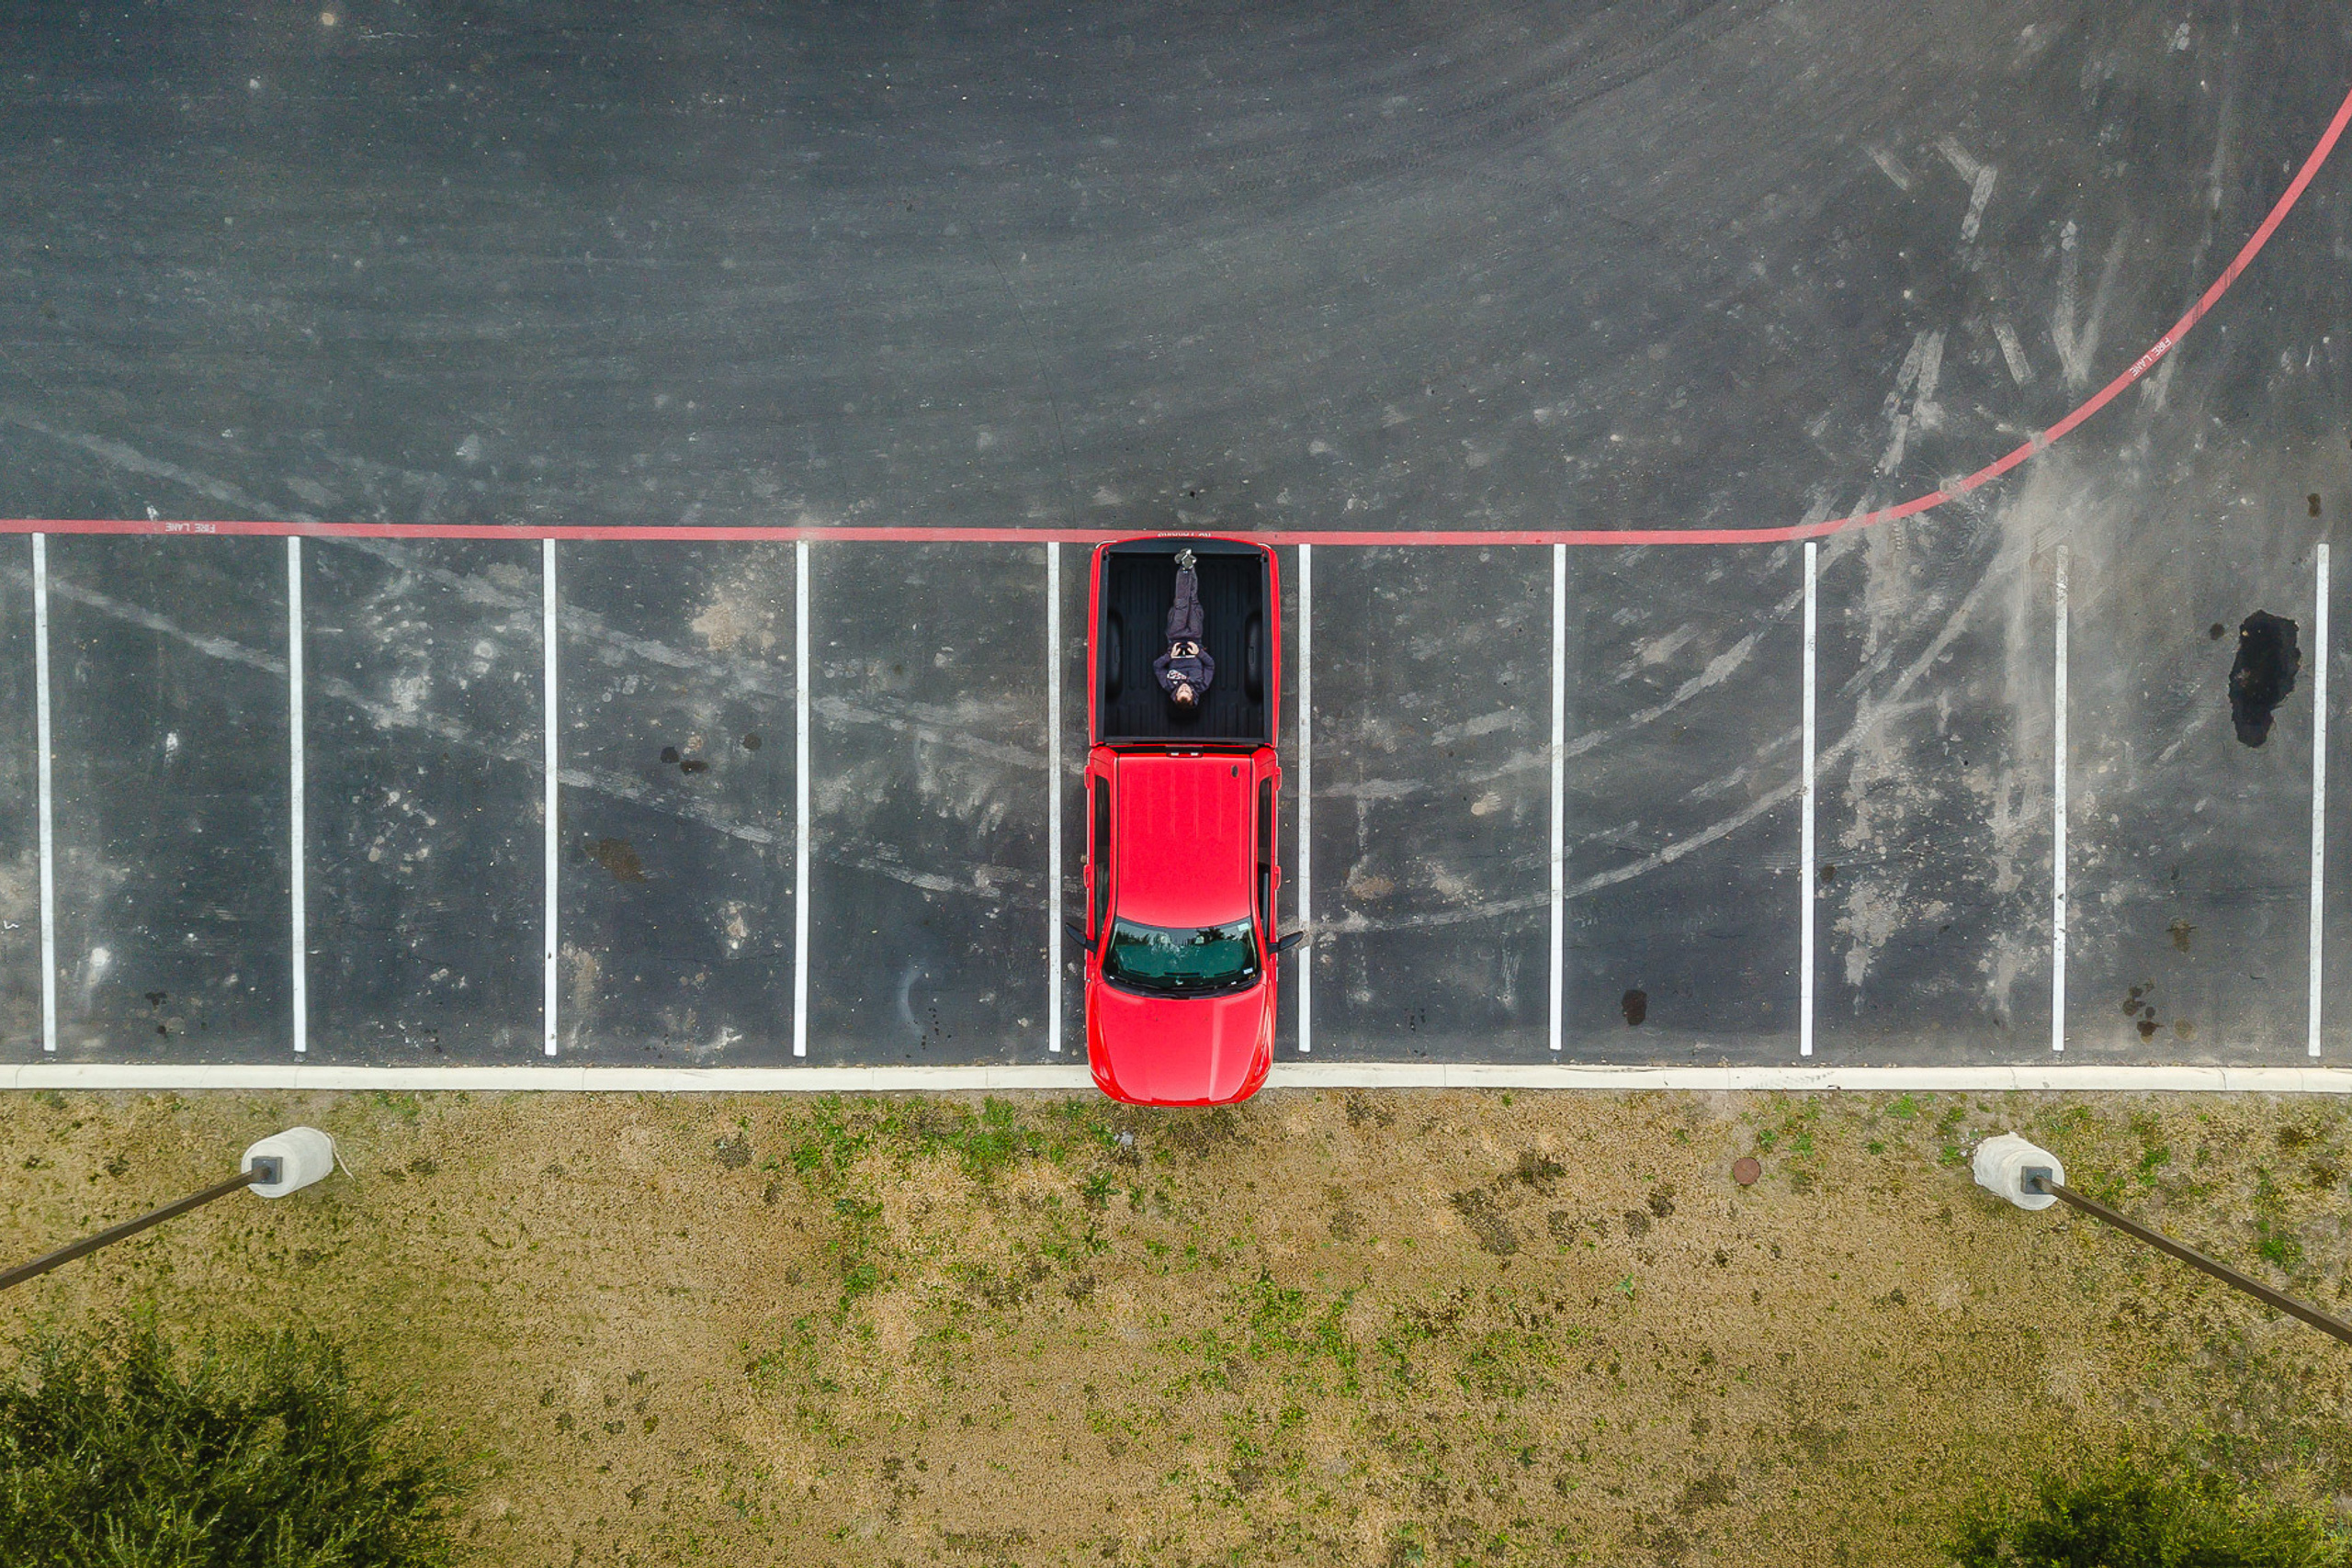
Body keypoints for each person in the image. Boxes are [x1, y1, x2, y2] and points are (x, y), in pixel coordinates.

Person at [1153, 547, 1216, 711]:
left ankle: (1185, 567)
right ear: (1192, 695)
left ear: (1176, 695)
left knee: (1181, 604)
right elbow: (1210, 666)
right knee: (1193, 601)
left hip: (1175, 635)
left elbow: (1157, 667)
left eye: (1181, 690)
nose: (1184, 687)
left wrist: (1170, 656)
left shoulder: (1168, 684)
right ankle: (1188, 564)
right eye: (1187, 691)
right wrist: (1199, 653)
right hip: (1195, 638)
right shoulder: (1202, 685)